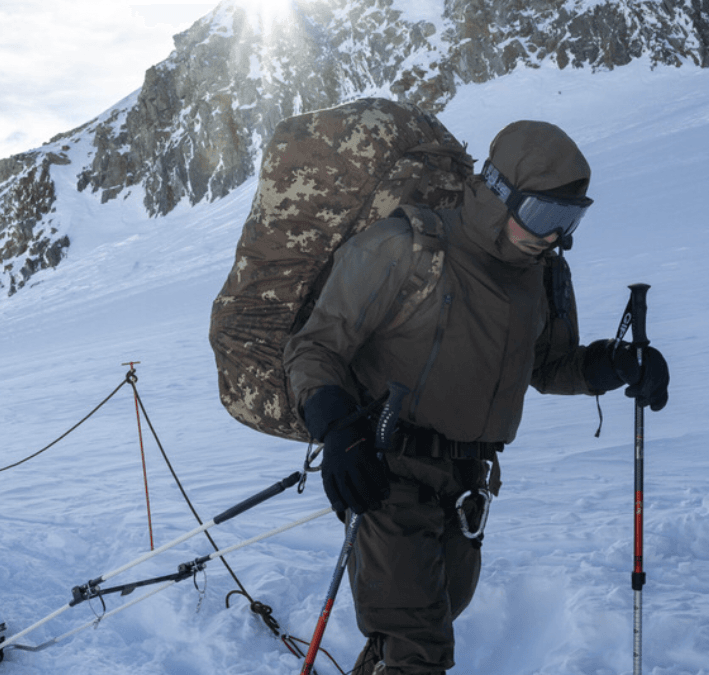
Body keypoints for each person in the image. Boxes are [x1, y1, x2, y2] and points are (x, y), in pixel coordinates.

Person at [283, 120, 670, 674]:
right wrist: (337, 428)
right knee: (421, 650)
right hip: (387, 472)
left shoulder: (542, 277)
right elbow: (314, 348)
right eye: (543, 216)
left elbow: (548, 365)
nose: (554, 236)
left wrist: (615, 364)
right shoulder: (404, 250)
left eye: (569, 219)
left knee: (431, 618)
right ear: (497, 192)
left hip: (468, 485)